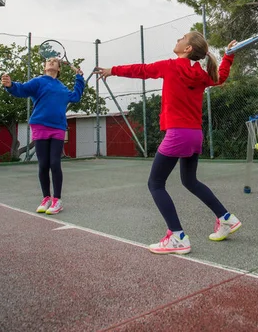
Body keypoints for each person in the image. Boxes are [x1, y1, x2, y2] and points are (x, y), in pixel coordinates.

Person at [95, 31, 240, 255]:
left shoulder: (170, 66)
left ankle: (177, 236)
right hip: (194, 135)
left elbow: (141, 70)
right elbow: (220, 77)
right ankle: (226, 218)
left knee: (155, 183)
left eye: (182, 38)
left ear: (188, 49)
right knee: (190, 181)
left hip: (178, 134)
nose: (177, 40)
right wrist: (228, 57)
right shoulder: (202, 74)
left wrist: (112, 70)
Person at [1, 57, 85, 215]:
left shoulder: (62, 88)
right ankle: (46, 198)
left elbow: (76, 96)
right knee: (43, 164)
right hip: (40, 126)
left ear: (59, 69)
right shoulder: (38, 82)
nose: (51, 62)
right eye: (49, 61)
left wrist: (79, 79)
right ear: (45, 67)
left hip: (58, 127)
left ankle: (57, 200)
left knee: (55, 162)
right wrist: (10, 85)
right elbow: (22, 89)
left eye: (55, 61)